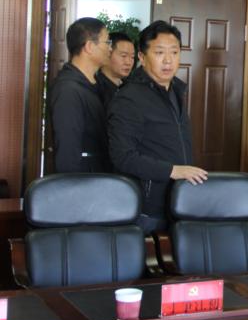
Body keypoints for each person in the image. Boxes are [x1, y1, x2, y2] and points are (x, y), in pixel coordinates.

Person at [108, 20, 207, 233]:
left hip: (179, 200)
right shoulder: (129, 97)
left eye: (174, 52)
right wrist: (173, 170)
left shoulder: (175, 90)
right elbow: (122, 156)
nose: (168, 60)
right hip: (147, 208)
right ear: (142, 57)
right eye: (159, 52)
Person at [48, 17, 112, 173]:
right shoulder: (68, 90)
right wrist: (74, 186)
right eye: (107, 42)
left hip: (101, 173)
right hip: (84, 178)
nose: (110, 48)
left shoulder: (97, 83)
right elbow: (68, 151)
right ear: (89, 46)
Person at [96, 32, 135, 107]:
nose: (128, 62)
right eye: (123, 56)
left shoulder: (131, 86)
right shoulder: (95, 90)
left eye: (132, 57)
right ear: (107, 54)